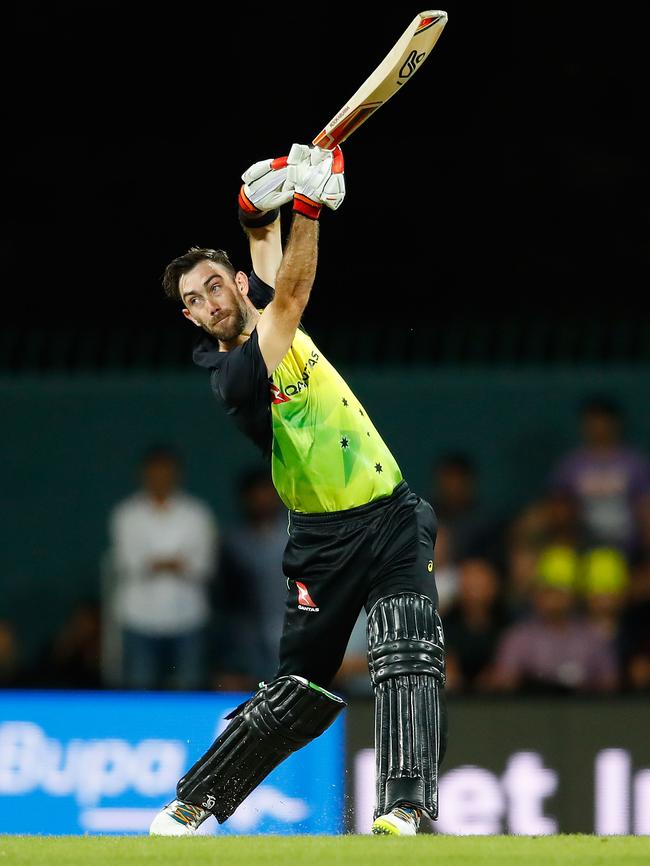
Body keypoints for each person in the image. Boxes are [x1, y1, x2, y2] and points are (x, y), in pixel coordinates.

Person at [150, 144, 445, 837]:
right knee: (297, 694)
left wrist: (262, 211)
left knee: (409, 650)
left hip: (394, 513)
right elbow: (292, 292)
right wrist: (308, 204)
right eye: (192, 301)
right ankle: (196, 801)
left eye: (213, 285)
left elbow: (268, 255)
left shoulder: (259, 302)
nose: (206, 301)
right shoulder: (237, 375)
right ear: (191, 320)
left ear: (233, 284)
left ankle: (401, 807)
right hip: (323, 542)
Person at [109, 445, 218, 690]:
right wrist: (175, 562)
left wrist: (155, 561)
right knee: (140, 690)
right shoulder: (127, 514)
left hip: (188, 617)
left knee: (189, 691)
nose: (161, 478)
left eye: (166, 472)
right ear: (145, 475)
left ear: (177, 475)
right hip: (139, 617)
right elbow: (129, 562)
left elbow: (203, 566)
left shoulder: (197, 513)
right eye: (155, 472)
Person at [547, 396, 650, 558]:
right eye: (593, 421)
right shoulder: (571, 464)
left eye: (603, 421)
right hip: (583, 543)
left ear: (615, 424)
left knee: (604, 571)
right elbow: (558, 507)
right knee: (557, 562)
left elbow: (646, 511)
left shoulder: (635, 464)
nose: (598, 427)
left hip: (625, 545)